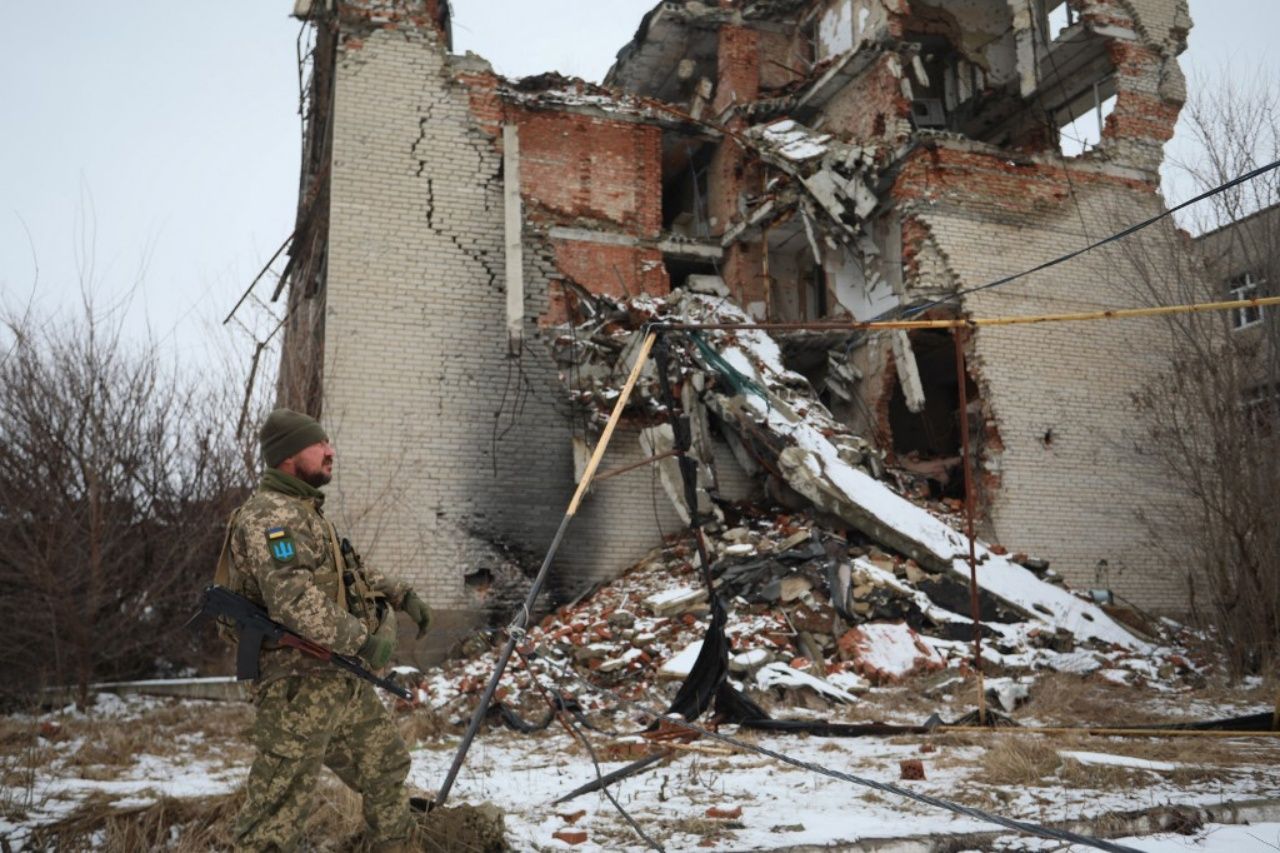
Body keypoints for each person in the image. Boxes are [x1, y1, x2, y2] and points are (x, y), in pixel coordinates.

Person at [220, 408, 432, 852]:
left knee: (386, 766)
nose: (331, 451)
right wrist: (365, 643)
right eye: (320, 444)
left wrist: (400, 594)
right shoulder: (270, 517)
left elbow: (346, 576)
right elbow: (294, 600)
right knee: (276, 811)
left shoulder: (307, 514)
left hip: (336, 677)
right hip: (297, 686)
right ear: (287, 457)